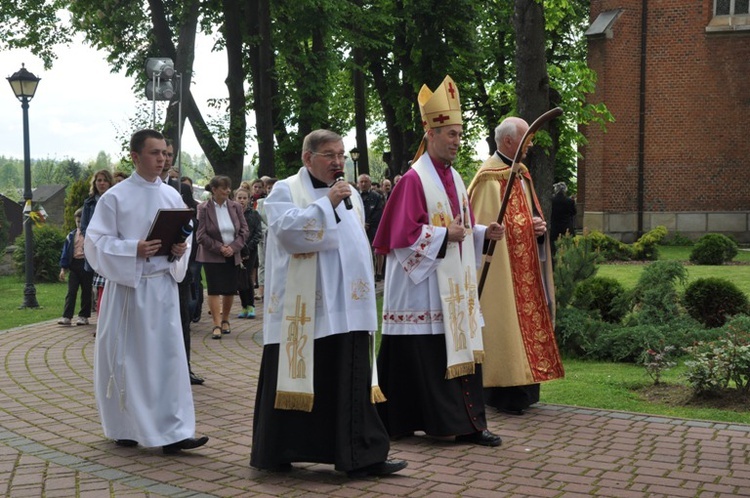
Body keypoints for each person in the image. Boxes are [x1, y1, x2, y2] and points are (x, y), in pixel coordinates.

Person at [250, 129, 407, 477]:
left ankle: (361, 455)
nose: (338, 163)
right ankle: (281, 450)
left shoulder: (349, 195)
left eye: (341, 155)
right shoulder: (286, 190)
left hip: (348, 308)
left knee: (348, 381)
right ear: (308, 158)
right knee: (298, 378)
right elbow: (288, 232)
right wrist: (328, 204)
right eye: (330, 156)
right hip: (305, 311)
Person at [373, 75, 505, 447]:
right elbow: (402, 238)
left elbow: (463, 225)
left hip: (452, 288)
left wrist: (483, 234)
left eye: (460, 135)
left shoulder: (457, 177)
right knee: (425, 357)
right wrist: (448, 235)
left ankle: (467, 424)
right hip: (423, 291)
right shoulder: (413, 180)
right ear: (430, 134)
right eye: (451, 135)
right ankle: (405, 422)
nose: (457, 142)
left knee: (454, 351)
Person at [84, 128, 208, 454]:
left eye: (165, 153)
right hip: (129, 290)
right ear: (136, 157)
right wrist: (133, 248)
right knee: (129, 361)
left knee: (169, 361)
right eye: (155, 153)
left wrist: (180, 249)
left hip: (163, 288)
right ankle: (125, 426)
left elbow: (185, 233)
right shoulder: (115, 197)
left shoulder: (171, 195)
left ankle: (175, 431)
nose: (162, 159)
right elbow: (96, 243)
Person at [467, 116, 565, 415]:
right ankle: (503, 392)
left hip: (524, 266)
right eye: (526, 139)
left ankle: (525, 387)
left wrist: (537, 228)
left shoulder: (520, 174)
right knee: (505, 323)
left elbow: (522, 217)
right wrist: (522, 227)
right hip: (503, 273)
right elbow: (485, 228)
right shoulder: (489, 178)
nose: (530, 145)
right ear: (509, 141)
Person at [161, 140, 203, 385]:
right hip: (153, 264)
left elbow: (191, 220)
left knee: (182, 316)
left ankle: (184, 368)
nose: (165, 159)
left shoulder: (180, 188)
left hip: (180, 261)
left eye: (169, 154)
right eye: (160, 154)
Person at [196, 175, 248, 340]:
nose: (227, 191)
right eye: (224, 188)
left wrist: (232, 248)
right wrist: (220, 248)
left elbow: (244, 231)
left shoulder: (235, 207)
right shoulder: (203, 208)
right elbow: (201, 235)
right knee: (214, 288)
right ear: (214, 190)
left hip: (232, 254)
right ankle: (216, 324)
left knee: (229, 289)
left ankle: (226, 320)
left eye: (228, 187)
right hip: (212, 255)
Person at [80, 169, 113, 316]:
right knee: (100, 286)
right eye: (99, 180)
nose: (101, 183)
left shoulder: (114, 198)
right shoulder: (89, 202)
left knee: (111, 285)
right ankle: (101, 319)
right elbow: (85, 225)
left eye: (104, 180)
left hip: (112, 245)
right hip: (96, 245)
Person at [58, 208, 93, 326]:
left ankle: (84, 316)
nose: (79, 224)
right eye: (77, 221)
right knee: (71, 291)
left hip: (86, 265)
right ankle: (67, 316)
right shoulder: (71, 236)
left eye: (81, 221)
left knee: (86, 291)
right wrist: (63, 269)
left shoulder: (90, 235)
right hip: (74, 265)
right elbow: (65, 252)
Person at [233, 187, 262, 319]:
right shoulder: (232, 214)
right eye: (239, 198)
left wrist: (247, 248)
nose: (242, 200)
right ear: (235, 199)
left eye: (244, 198)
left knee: (247, 277)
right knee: (239, 278)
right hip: (236, 250)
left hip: (250, 251)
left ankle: (250, 305)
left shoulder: (254, 214)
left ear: (249, 199)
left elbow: (258, 234)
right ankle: (244, 306)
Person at [550, 182, 577, 259]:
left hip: (554, 227)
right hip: (566, 227)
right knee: (567, 246)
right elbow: (573, 212)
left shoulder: (552, 200)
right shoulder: (570, 201)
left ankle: (554, 261)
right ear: (565, 190)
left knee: (554, 247)